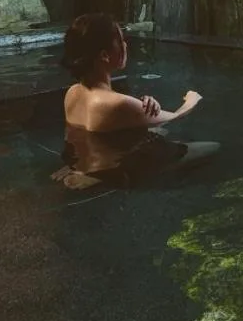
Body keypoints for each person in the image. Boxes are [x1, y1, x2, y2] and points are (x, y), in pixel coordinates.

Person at [52, 12, 218, 189]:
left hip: (88, 161)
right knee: (214, 147)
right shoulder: (116, 104)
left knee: (158, 132)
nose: (125, 45)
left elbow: (81, 138)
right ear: (104, 56)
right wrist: (192, 99)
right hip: (115, 170)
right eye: (120, 40)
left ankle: (86, 172)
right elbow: (175, 117)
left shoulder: (73, 93)